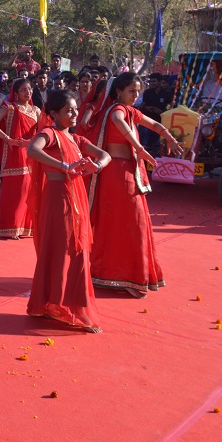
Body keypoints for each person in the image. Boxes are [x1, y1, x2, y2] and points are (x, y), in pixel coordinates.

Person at [87, 72, 183, 298]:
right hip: (116, 175)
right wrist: (140, 149)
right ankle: (125, 276)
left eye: (138, 91)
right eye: (131, 91)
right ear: (118, 91)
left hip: (128, 173)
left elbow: (154, 124)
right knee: (128, 223)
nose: (136, 95)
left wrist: (169, 137)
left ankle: (124, 275)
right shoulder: (116, 110)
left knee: (132, 223)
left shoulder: (131, 111)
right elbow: (120, 124)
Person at [26, 90, 110, 333]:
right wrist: (65, 166)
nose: (74, 114)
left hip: (76, 198)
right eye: (68, 111)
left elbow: (104, 155)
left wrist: (96, 166)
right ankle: (65, 307)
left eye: (75, 109)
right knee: (63, 250)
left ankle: (62, 304)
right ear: (54, 113)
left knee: (77, 250)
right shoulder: (50, 134)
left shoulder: (76, 138)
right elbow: (33, 150)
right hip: (59, 200)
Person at [0, 78, 40, 239]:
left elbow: (44, 130)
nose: (27, 92)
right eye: (23, 89)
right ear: (16, 93)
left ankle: (25, 227)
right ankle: (10, 226)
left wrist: (31, 142)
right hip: (15, 154)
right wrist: (8, 139)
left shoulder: (36, 110)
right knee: (16, 191)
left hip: (31, 153)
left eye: (29, 89)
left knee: (29, 191)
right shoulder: (9, 107)